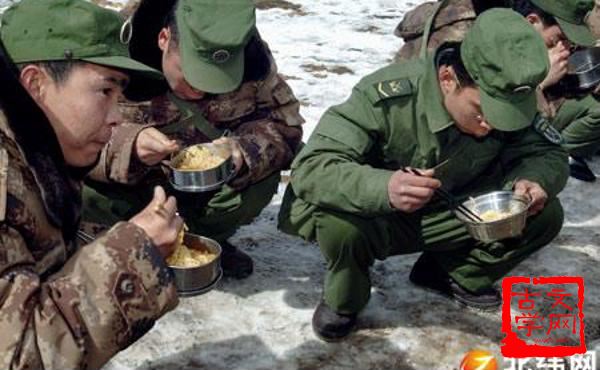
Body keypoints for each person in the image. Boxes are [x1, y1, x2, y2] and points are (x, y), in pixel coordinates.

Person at [278, 9, 569, 342]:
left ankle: (451, 274)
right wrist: (384, 187)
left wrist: (534, 180)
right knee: (339, 224)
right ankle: (346, 298)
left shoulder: (508, 94)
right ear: (448, 80)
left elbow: (549, 153)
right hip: (382, 218)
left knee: (545, 213)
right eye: (481, 111)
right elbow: (312, 167)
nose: (494, 124)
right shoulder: (386, 96)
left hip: (457, 211)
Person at [0, 0, 183, 368]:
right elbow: (17, 356)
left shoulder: (31, 138)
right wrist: (132, 253)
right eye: (105, 91)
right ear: (35, 84)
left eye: (121, 96)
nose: (117, 117)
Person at [83, 0, 304, 279]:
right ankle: (119, 247)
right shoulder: (111, 54)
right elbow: (65, 138)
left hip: (203, 189)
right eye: (192, 74)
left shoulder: (247, 54)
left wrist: (240, 151)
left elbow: (285, 124)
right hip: (132, 189)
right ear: (163, 39)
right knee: (86, 193)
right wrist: (129, 146)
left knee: (261, 181)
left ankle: (198, 240)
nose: (200, 90)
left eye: (217, 79)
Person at [396, 0, 600, 182]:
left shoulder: (522, 23)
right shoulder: (471, 36)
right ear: (532, 21)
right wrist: (540, 85)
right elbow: (457, 106)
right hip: (450, 127)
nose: (567, 46)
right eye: (560, 38)